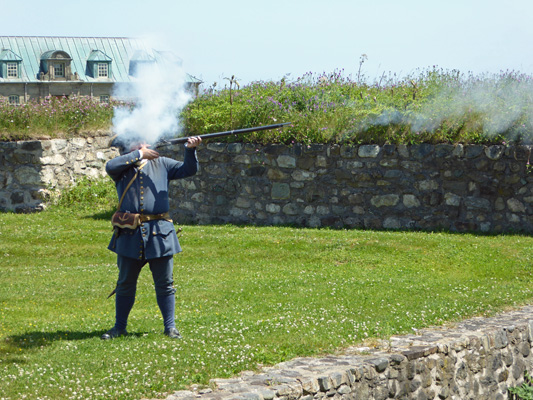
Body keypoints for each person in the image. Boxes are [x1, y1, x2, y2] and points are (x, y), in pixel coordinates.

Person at [101, 135, 202, 340]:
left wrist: (191, 150)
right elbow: (110, 165)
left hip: (160, 232)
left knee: (165, 283)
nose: (143, 145)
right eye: (137, 143)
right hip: (130, 233)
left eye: (144, 142)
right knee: (125, 283)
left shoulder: (162, 163)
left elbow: (189, 170)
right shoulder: (122, 167)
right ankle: (119, 327)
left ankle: (170, 327)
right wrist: (139, 154)